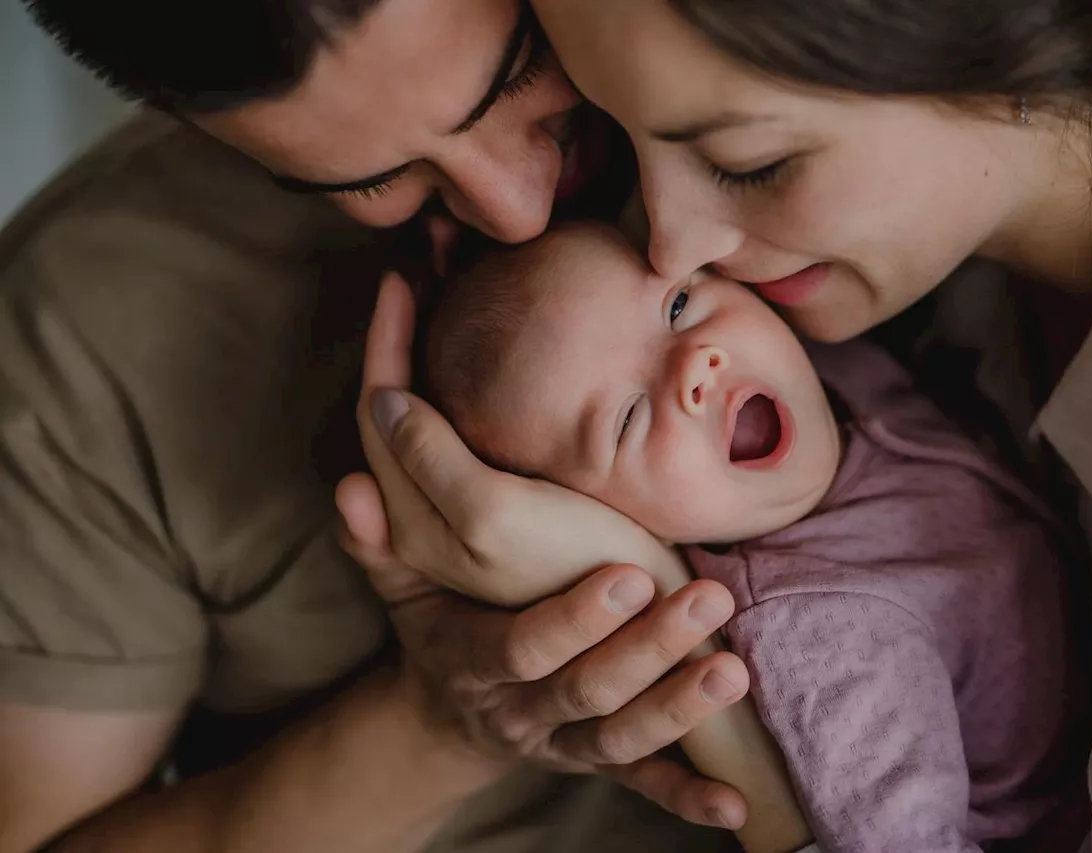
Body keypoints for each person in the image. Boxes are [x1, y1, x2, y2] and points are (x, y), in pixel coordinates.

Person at [353, 0, 1092, 851]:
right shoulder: (886, 287)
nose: (670, 248)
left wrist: (693, 665)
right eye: (623, 140)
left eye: (750, 161)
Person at [1, 1, 751, 851]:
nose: (515, 209)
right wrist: (442, 726)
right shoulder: (79, 336)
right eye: (368, 181)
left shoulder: (829, 68)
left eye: (523, 68)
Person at [419, 221, 1092, 853]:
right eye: (627, 419)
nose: (695, 364)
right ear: (610, 522)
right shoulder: (822, 633)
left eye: (679, 305)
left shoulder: (833, 364)